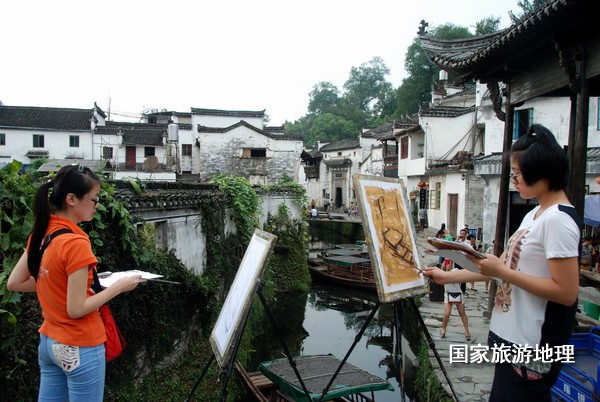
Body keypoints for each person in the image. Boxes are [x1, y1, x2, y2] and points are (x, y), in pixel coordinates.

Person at [423, 124, 580, 401]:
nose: (513, 179)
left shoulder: (559, 220)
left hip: (533, 349)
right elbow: (499, 271)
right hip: (511, 342)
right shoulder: (535, 215)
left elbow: (566, 293)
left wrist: (501, 270)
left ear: (541, 171)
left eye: (517, 172)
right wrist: (447, 277)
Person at [7, 164, 145, 401]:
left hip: (50, 342)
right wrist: (118, 287)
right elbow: (76, 309)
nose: (96, 205)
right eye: (93, 199)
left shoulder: (42, 233)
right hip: (79, 344)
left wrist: (74, 284)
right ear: (72, 199)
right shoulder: (76, 243)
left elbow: (16, 282)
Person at [440, 267, 471, 341]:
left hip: (458, 293)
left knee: (462, 313)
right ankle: (444, 328)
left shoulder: (455, 270)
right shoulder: (441, 272)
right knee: (447, 313)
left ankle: (467, 331)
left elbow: (459, 278)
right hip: (448, 294)